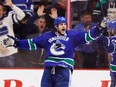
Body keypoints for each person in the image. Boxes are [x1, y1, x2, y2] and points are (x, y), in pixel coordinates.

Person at [7, 16, 105, 87]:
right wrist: (18, 43)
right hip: (49, 68)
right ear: (56, 26)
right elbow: (32, 43)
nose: (64, 26)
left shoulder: (72, 35)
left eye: (65, 24)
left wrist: (99, 28)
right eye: (61, 24)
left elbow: (88, 36)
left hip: (64, 68)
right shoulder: (47, 36)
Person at [0, 0, 25, 67]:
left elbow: (22, 16)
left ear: (3, 11)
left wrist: (12, 5)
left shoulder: (9, 18)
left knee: (10, 76)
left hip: (10, 53)